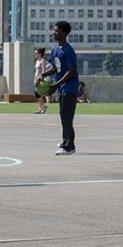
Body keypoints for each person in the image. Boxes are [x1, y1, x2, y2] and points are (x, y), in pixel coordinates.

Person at [49, 20, 80, 155]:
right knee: (63, 117)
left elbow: (71, 70)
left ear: (63, 33)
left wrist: (57, 84)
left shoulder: (68, 50)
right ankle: (65, 141)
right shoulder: (55, 50)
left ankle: (69, 146)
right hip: (62, 88)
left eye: (56, 31)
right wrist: (43, 74)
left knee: (67, 117)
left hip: (70, 88)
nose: (54, 33)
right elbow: (56, 68)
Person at [32, 47, 52, 115]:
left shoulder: (42, 60)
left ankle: (43, 107)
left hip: (40, 79)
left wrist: (39, 78)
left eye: (36, 53)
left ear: (40, 54)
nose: (35, 54)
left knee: (37, 93)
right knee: (37, 94)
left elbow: (44, 70)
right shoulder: (37, 61)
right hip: (36, 78)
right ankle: (41, 108)